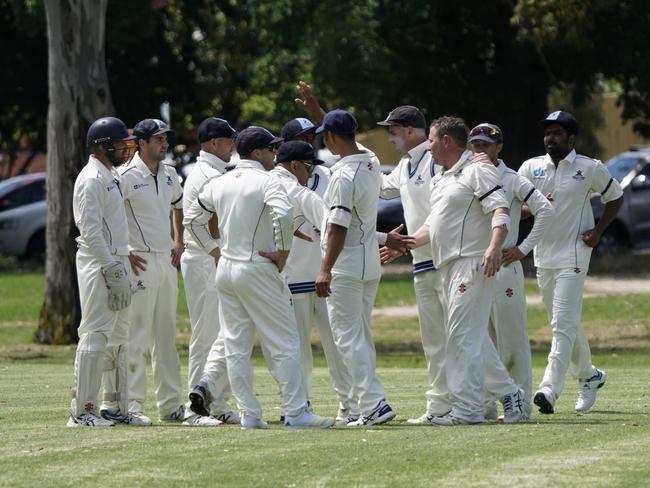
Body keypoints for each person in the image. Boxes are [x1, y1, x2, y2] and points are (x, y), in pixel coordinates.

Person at [184, 126, 334, 429]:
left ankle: (250, 415)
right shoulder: (267, 182)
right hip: (258, 268)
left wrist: (215, 251)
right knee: (286, 342)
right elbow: (283, 214)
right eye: (270, 149)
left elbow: (192, 220)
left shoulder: (221, 181)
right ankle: (296, 412)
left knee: (237, 345)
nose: (274, 154)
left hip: (227, 269)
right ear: (257, 153)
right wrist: (282, 252)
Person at [407, 116, 525, 425]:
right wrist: (404, 243)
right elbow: (433, 226)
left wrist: (494, 247)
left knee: (461, 339)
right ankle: (512, 396)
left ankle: (467, 410)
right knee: (472, 338)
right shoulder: (443, 179)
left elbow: (500, 210)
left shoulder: (478, 169)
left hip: (471, 262)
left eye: (431, 141)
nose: (428, 147)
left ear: (446, 141)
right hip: (446, 266)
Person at [518, 111, 623, 414]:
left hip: (575, 252)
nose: (550, 138)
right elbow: (518, 206)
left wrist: (598, 231)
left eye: (557, 134)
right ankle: (589, 375)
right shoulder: (531, 167)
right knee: (563, 322)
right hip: (543, 254)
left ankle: (549, 389)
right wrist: (536, 205)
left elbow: (615, 197)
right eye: (547, 133)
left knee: (562, 325)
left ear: (571, 138)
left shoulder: (589, 168)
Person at [119, 118, 217, 426]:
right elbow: (111, 214)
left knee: (165, 337)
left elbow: (178, 206)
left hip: (166, 261)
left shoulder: (170, 173)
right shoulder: (124, 175)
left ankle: (170, 404)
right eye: (158, 140)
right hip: (139, 262)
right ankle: (132, 404)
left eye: (165, 139)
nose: (164, 144)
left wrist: (178, 240)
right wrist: (125, 250)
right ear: (142, 143)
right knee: (137, 336)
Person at [315, 109, 396, 426]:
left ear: (332, 138)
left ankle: (374, 404)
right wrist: (317, 109)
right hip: (368, 261)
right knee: (359, 335)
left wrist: (325, 269)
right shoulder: (371, 161)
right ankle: (369, 403)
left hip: (346, 264)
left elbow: (337, 227)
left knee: (347, 337)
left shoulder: (342, 176)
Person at [468, 123, 555, 419]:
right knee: (481, 340)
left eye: (486, 145)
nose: (480, 150)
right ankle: (485, 406)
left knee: (511, 339)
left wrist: (523, 248)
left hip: (505, 266)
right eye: (475, 145)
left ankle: (521, 406)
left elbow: (544, 209)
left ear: (498, 148)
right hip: (475, 267)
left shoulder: (511, 178)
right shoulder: (466, 174)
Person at [68, 116, 146, 426]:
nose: (126, 149)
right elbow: (90, 231)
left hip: (115, 262)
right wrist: (111, 268)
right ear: (103, 146)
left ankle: (114, 408)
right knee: (95, 333)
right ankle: (83, 411)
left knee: (118, 336)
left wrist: (119, 265)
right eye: (121, 144)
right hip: (98, 263)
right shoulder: (91, 179)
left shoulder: (109, 175)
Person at [376, 105, 449, 424]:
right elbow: (377, 186)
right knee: (433, 340)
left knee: (460, 338)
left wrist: (415, 239)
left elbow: (443, 208)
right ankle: (439, 407)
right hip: (422, 262)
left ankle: (492, 397)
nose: (390, 139)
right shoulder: (405, 166)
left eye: (393, 132)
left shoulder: (435, 161)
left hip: (446, 260)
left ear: (409, 131)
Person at [181, 117, 239, 424]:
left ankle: (216, 403)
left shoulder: (213, 171)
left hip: (210, 257)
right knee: (206, 335)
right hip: (205, 257)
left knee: (222, 334)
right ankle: (194, 407)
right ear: (213, 143)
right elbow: (207, 222)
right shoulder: (207, 175)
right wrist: (220, 252)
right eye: (229, 140)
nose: (232, 145)